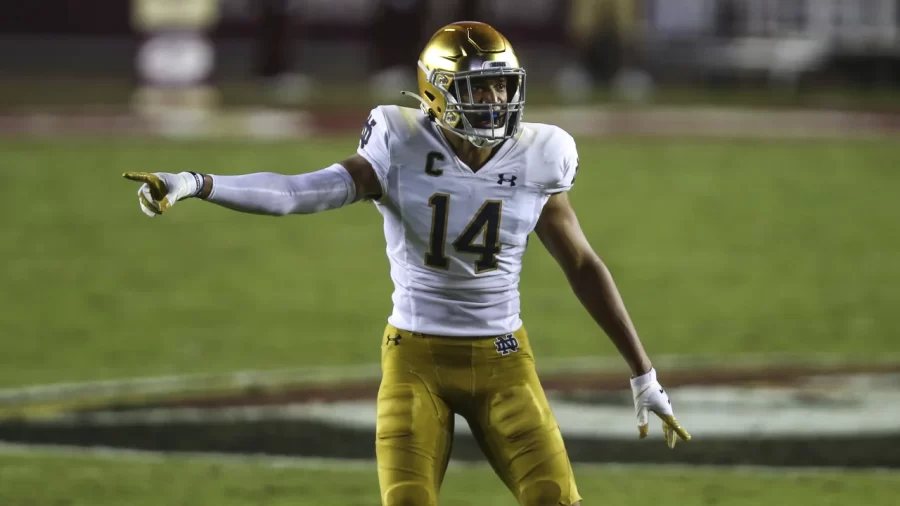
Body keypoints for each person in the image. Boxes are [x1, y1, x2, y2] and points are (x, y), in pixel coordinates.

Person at [123, 20, 690, 506]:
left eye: (500, 86)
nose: (494, 101)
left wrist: (643, 373)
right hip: (415, 359)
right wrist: (199, 183)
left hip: (505, 363)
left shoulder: (542, 154)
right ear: (438, 93)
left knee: (555, 498)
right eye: (478, 87)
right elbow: (300, 192)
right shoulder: (399, 142)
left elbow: (583, 265)